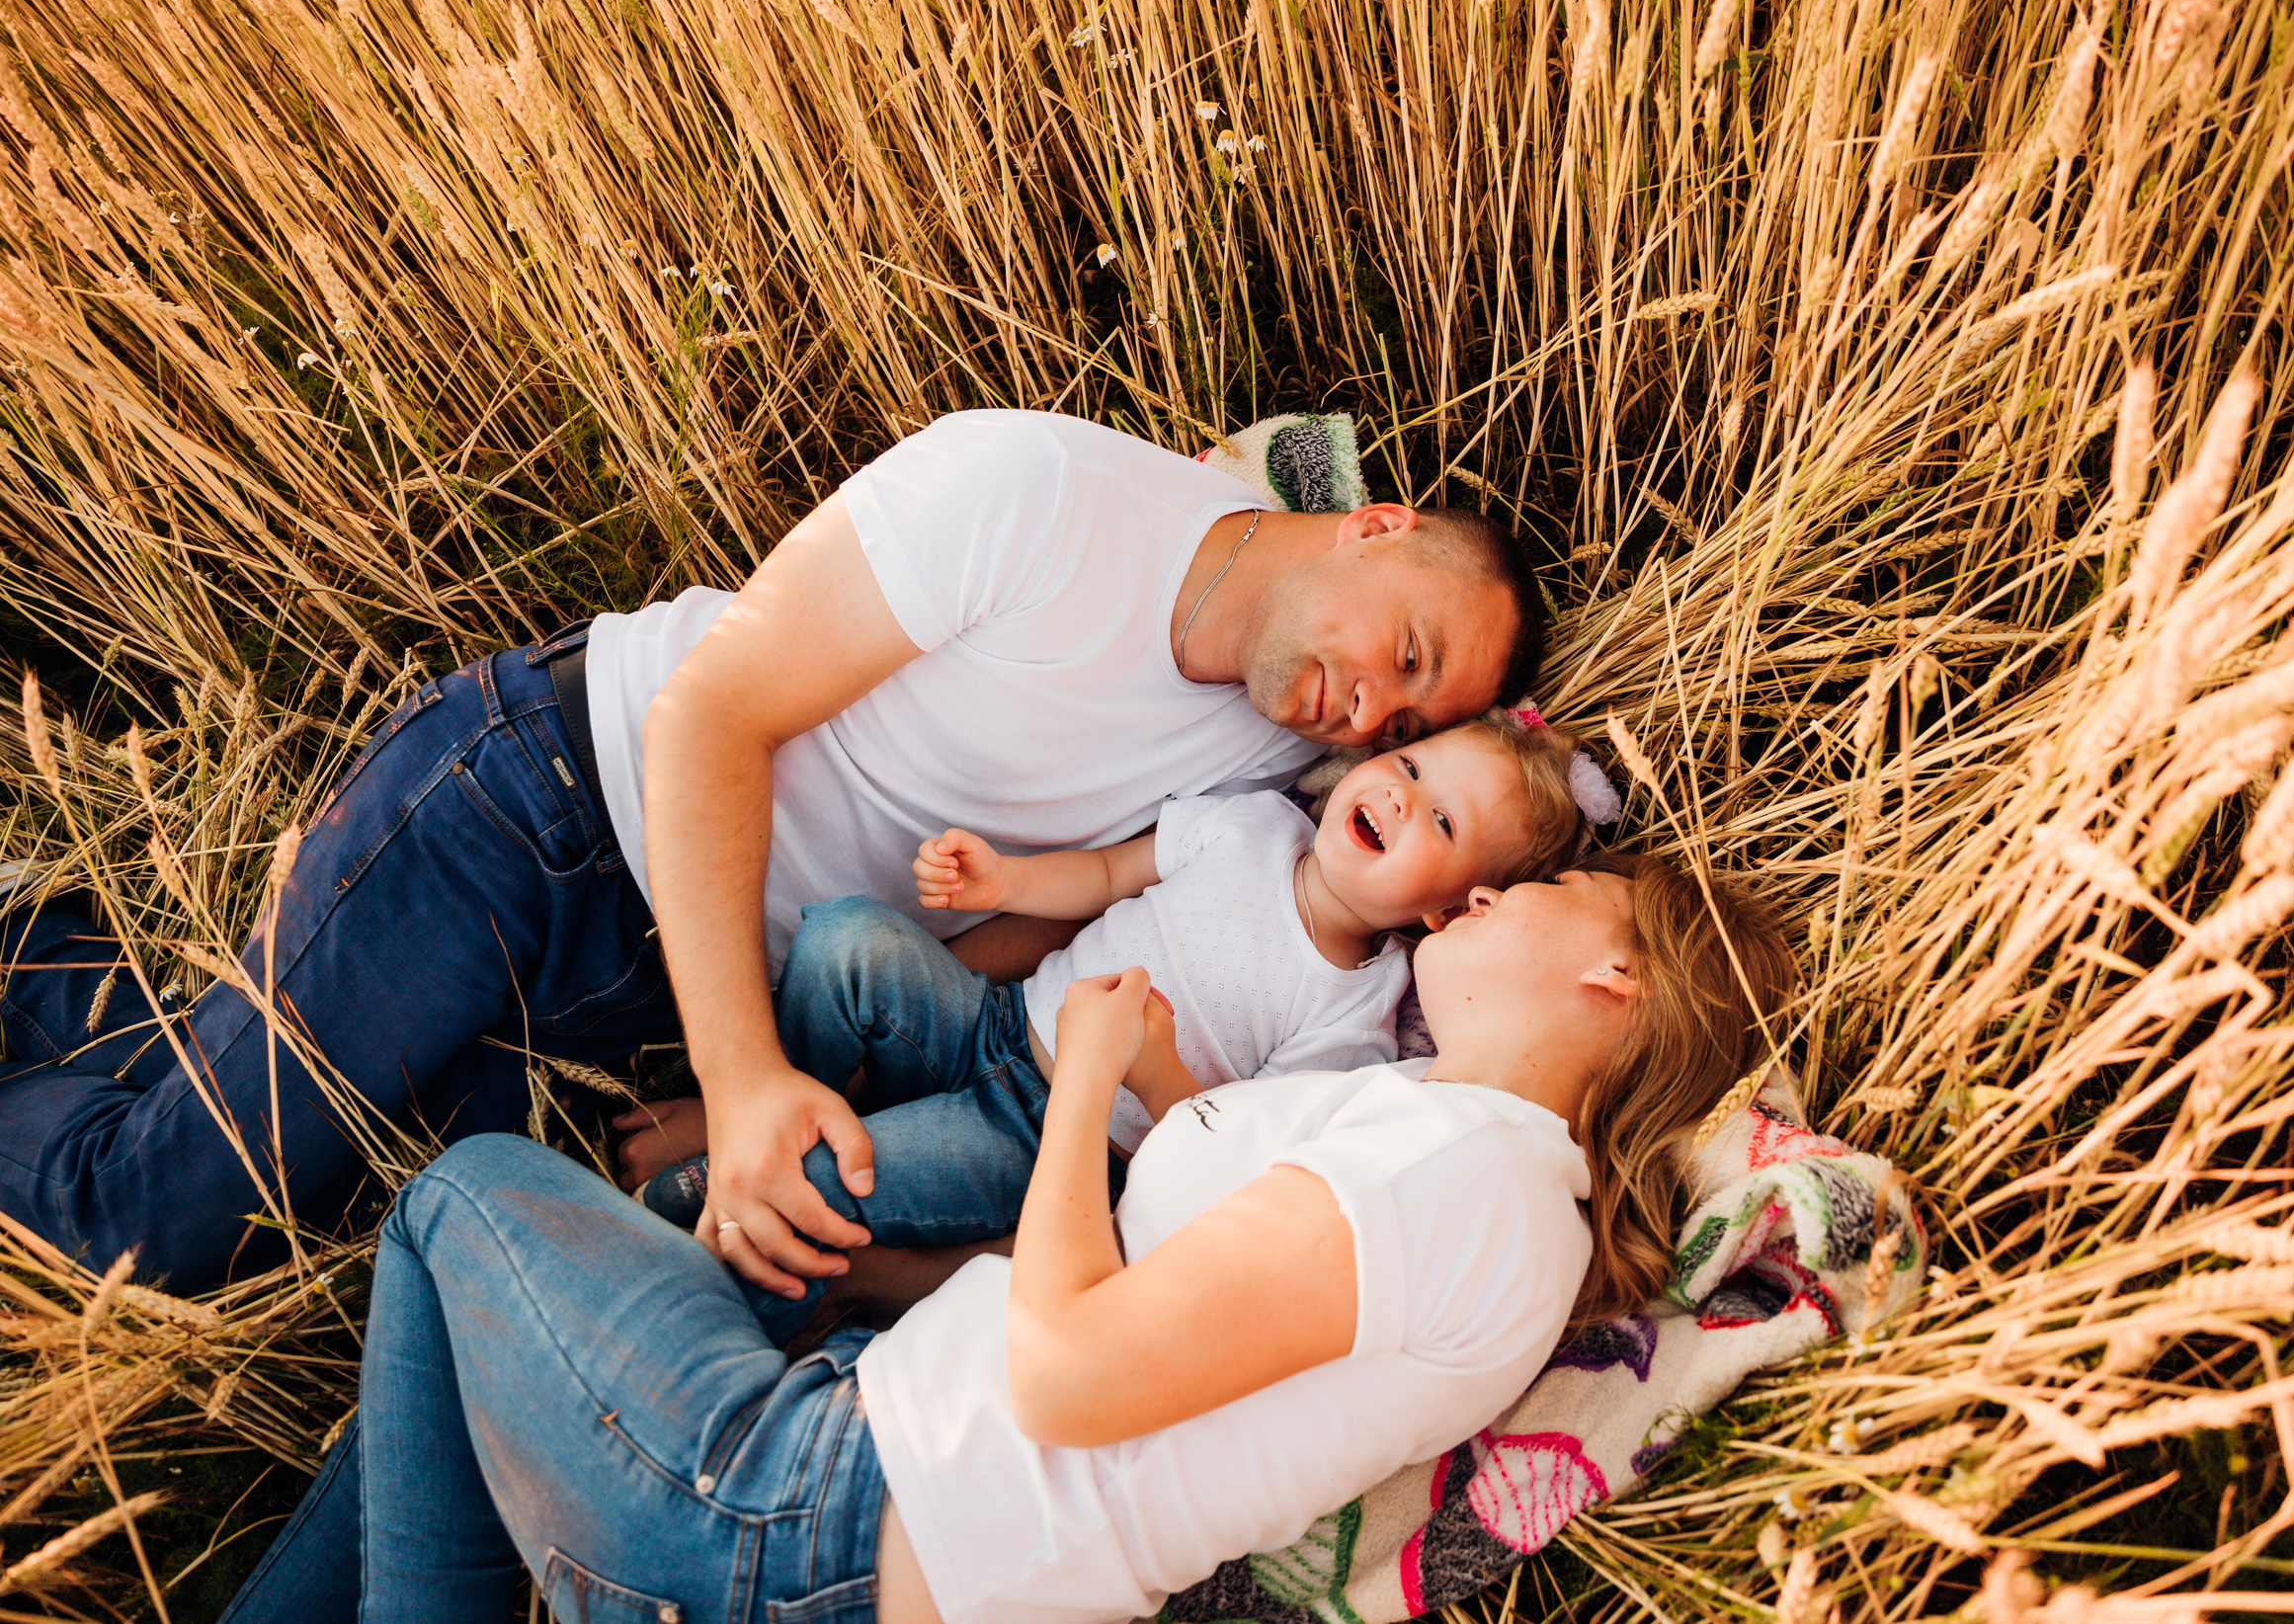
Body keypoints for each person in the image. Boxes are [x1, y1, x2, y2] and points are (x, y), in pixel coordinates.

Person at [0, 410, 1548, 1294]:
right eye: (1405, 648)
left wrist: (773, 1076)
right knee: (144, 1223)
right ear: (1373, 523)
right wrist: (743, 1081)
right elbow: (710, 714)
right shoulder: (1038, 493)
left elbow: (1072, 932)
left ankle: (36, 952)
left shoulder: (1289, 767)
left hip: (671, 973)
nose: (1376, 707)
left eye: (1417, 712)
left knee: (311, 1190)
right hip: (545, 805)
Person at [216, 854, 1796, 1624]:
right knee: (530, 1282)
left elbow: (1064, 1376)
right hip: (863, 1509)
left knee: (463, 1197)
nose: (1495, 886)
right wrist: (1163, 1092)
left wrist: (1085, 1081)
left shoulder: (1468, 1177)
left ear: (1617, 977)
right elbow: (1164, 1302)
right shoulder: (1441, 1146)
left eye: (1552, 882)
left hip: (816, 1519)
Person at [633, 713, 1612, 1329]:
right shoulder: (1252, 824)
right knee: (847, 940)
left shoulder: (1351, 1013)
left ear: (1447, 913)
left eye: (1442, 821)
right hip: (994, 1021)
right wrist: (1005, 881)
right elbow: (1107, 874)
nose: (1403, 794)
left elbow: (1221, 1148)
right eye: (1411, 762)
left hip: (1047, 1136)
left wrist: (1150, 1065)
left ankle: (699, 1279)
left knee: (836, 1185)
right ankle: (768, 1104)